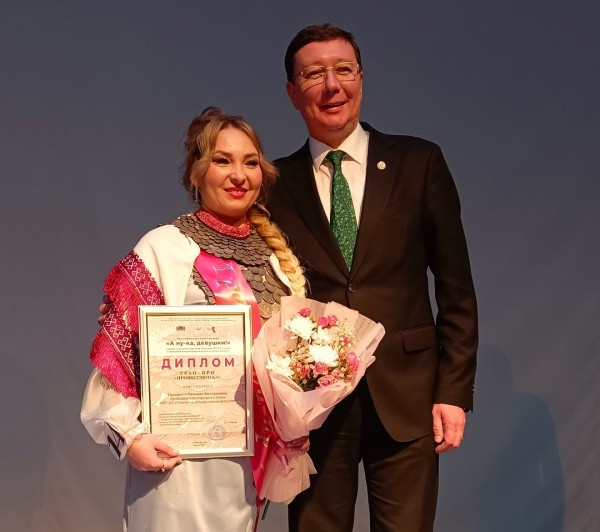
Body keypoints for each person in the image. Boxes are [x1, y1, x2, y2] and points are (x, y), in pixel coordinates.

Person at [264, 24, 478, 531]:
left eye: (344, 70)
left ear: (360, 78)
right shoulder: (273, 183)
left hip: (408, 395)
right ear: (293, 92)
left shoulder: (418, 162)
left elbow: (456, 289)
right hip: (313, 404)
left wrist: (453, 391)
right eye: (314, 74)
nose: (331, 85)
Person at [81, 107, 306, 531]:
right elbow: (114, 367)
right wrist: (130, 438)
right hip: (175, 464)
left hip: (245, 467)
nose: (239, 175)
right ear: (196, 174)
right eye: (222, 160)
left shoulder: (278, 261)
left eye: (250, 163)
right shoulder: (163, 248)